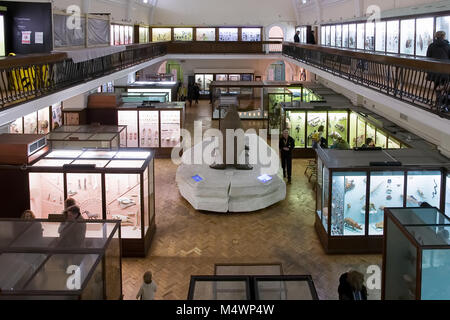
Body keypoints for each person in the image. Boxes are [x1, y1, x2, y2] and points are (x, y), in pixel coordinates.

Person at [426, 31, 450, 111]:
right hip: (445, 71)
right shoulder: (448, 46)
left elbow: (428, 57)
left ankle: (439, 103)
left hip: (435, 71)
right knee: (445, 87)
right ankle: (445, 104)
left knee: (437, 86)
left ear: (436, 36)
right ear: (444, 36)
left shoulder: (431, 46)